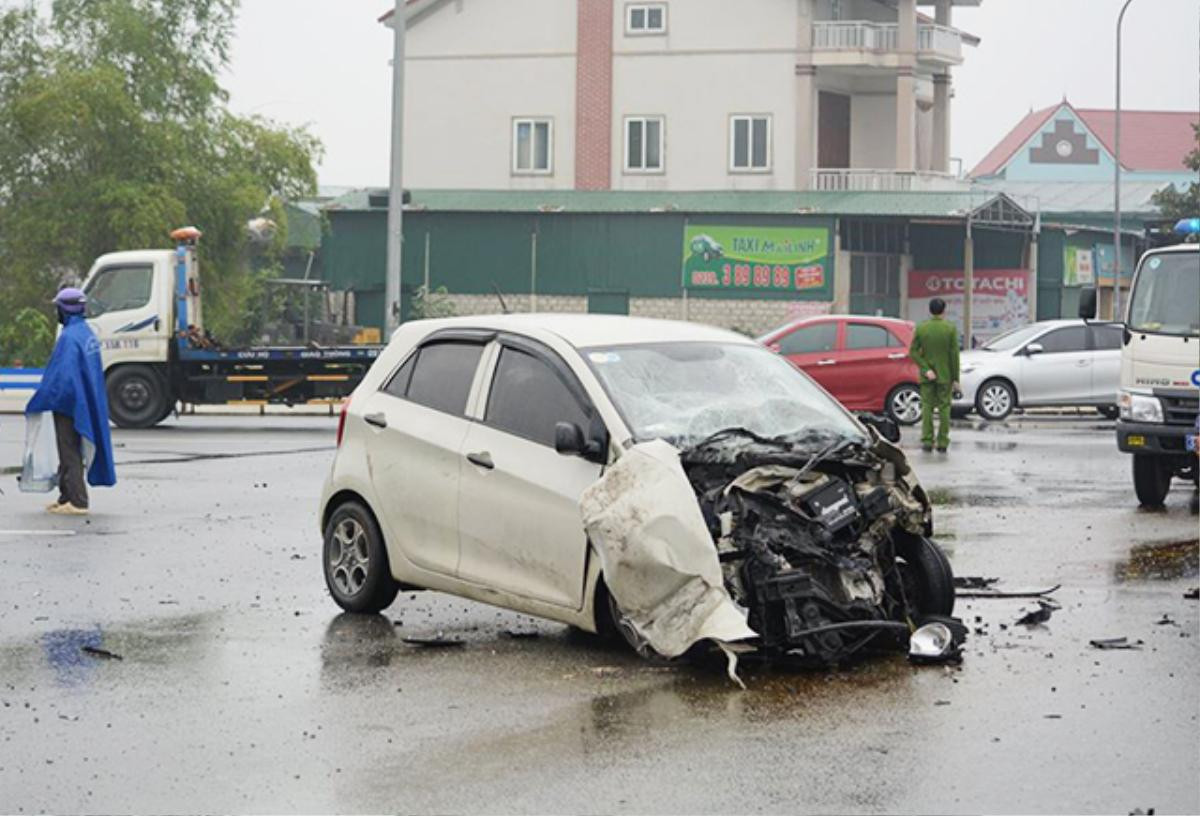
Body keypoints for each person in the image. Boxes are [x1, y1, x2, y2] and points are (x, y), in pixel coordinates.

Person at [25, 288, 116, 514]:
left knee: (69, 450)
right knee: (68, 449)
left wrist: (42, 399)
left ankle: (77, 501)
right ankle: (66, 496)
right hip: (84, 400)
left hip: (69, 403)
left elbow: (62, 376)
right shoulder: (85, 333)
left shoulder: (69, 337)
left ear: (64, 309)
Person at [908, 298, 960, 453]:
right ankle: (942, 442)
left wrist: (925, 369)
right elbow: (954, 356)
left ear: (930, 311)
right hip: (945, 376)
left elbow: (913, 352)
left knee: (927, 408)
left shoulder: (922, 328)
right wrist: (956, 378)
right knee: (944, 408)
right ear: (944, 310)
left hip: (927, 377)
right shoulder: (950, 329)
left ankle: (927, 441)